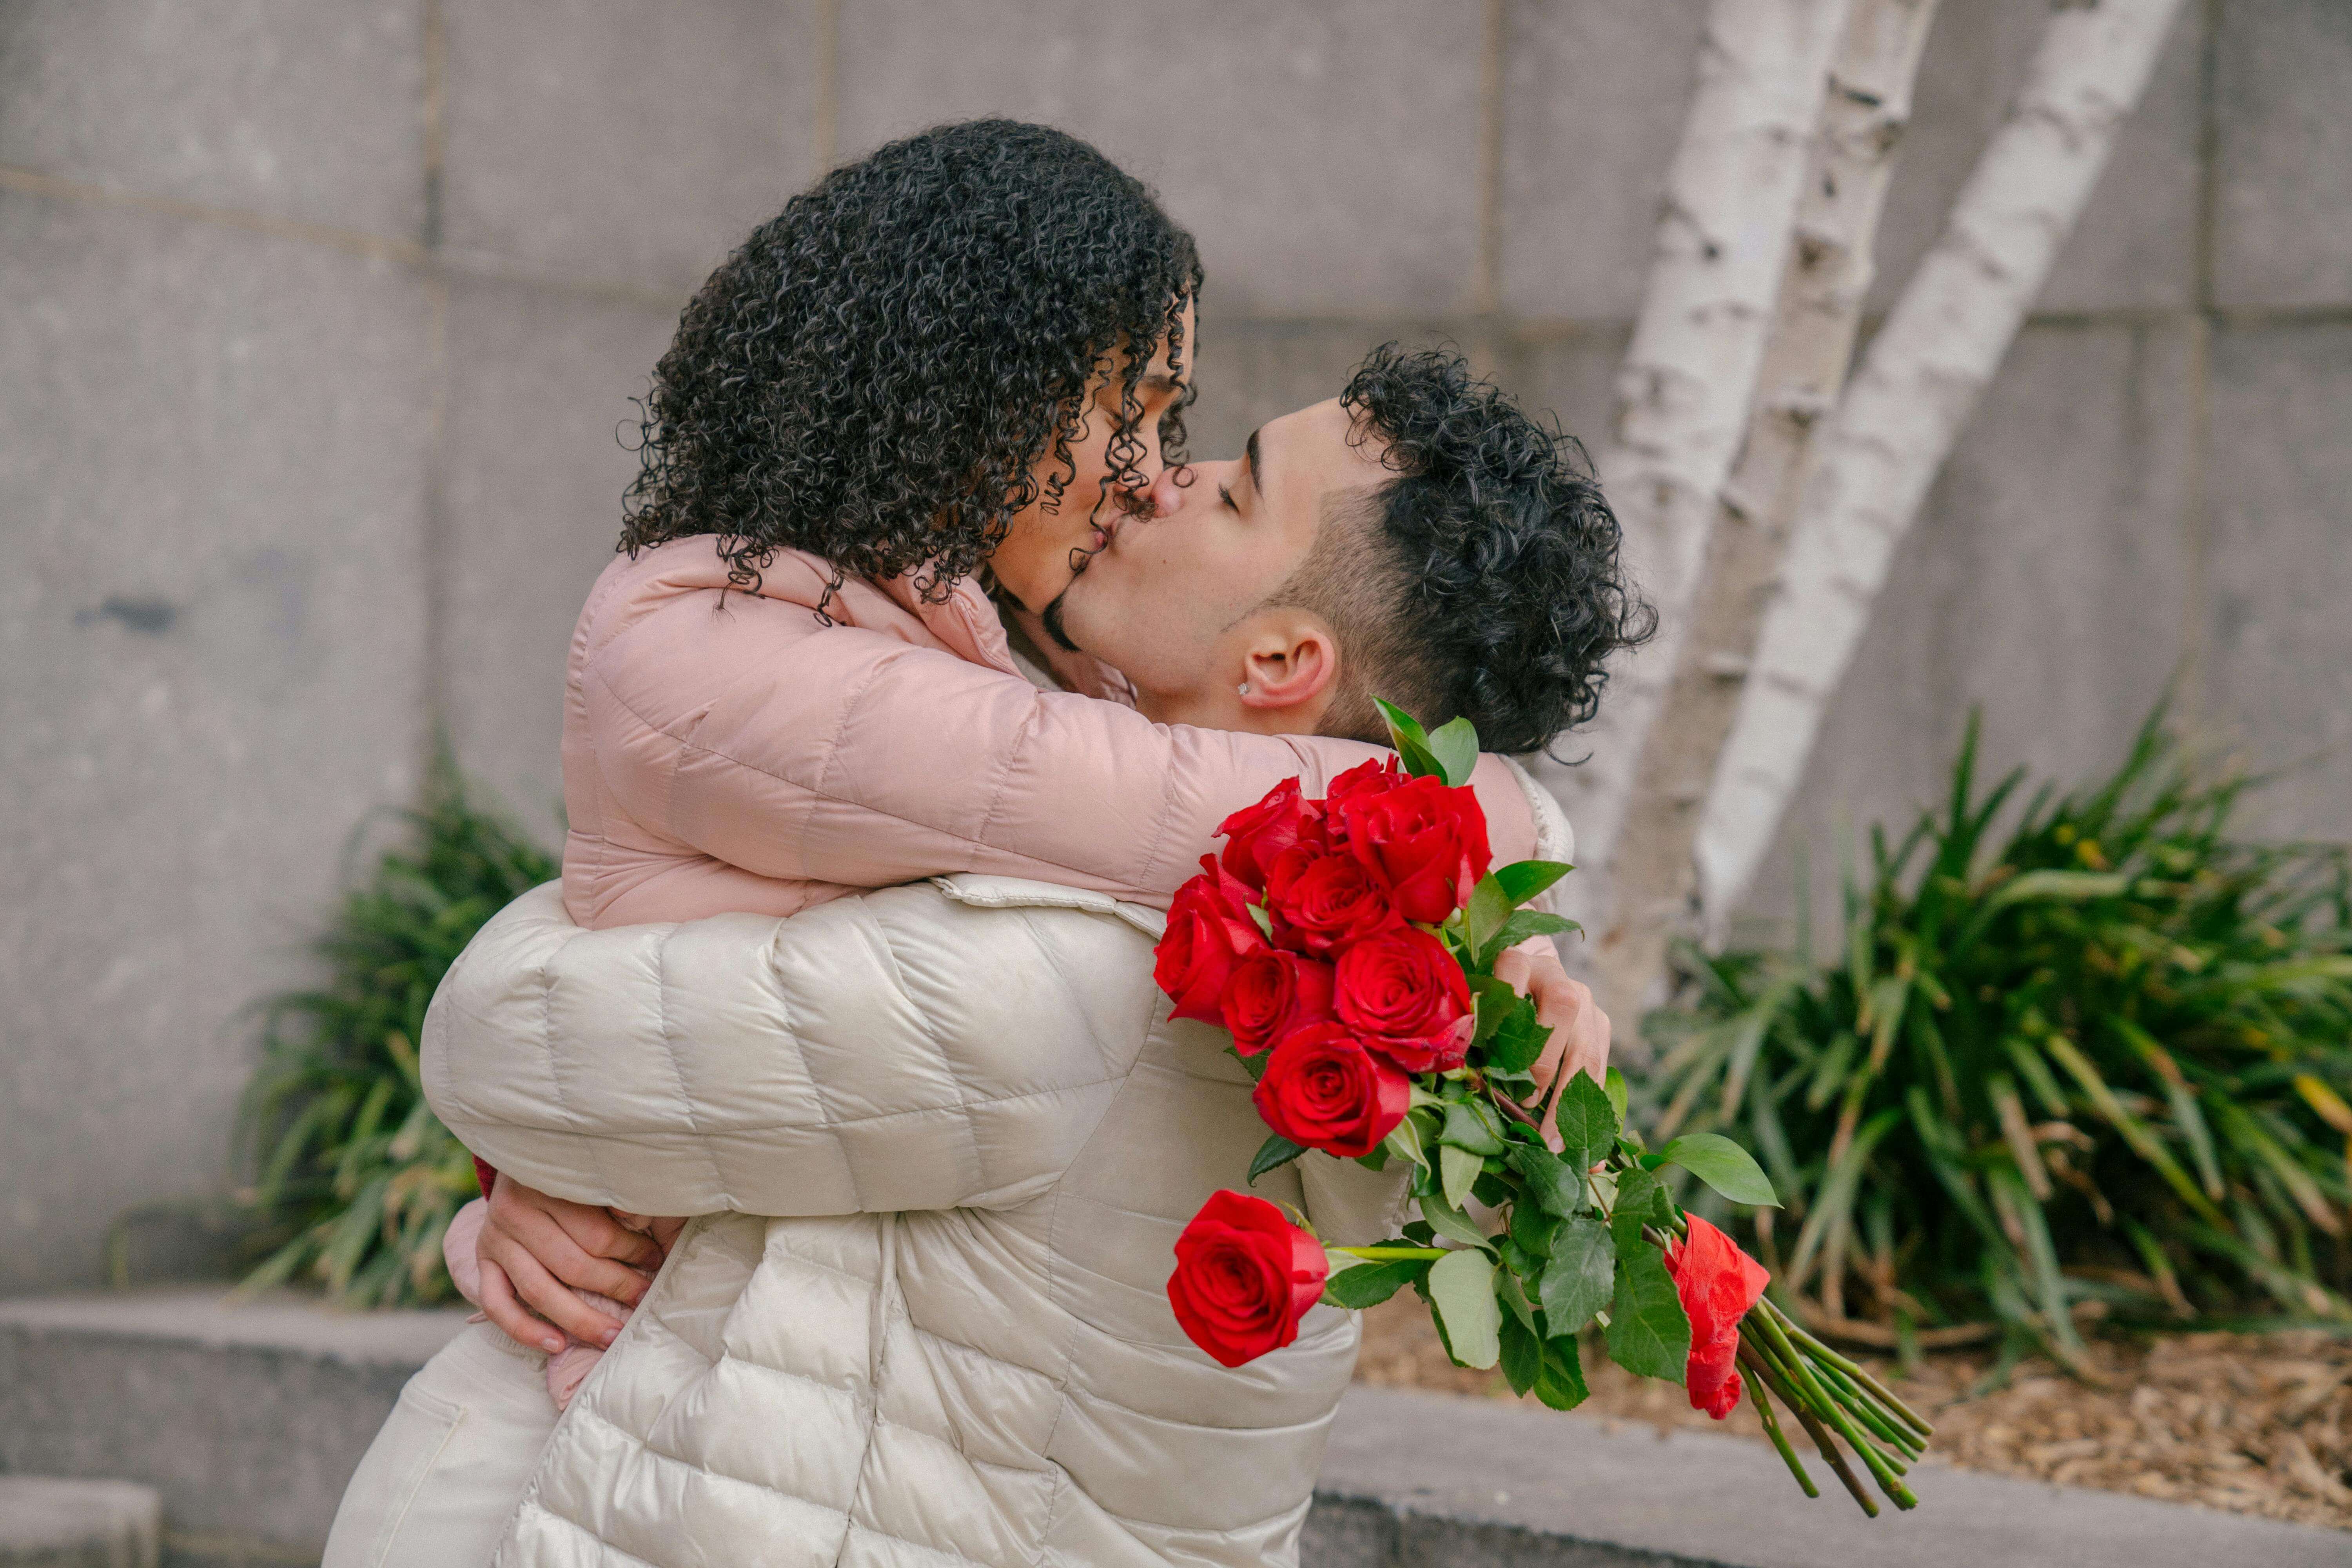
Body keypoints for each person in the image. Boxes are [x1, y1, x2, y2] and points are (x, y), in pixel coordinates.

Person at [323, 346, 1647, 1566]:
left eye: (1236, 490)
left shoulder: (1071, 979)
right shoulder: (1370, 1005)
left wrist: (534, 1182)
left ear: (1286, 659)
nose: (1166, 476)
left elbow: (511, 1045)